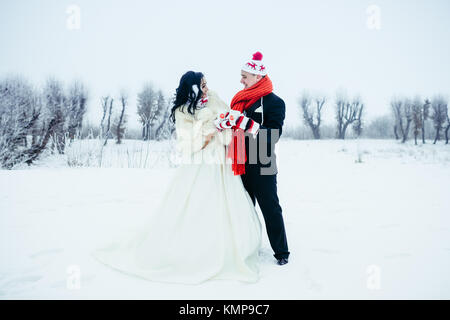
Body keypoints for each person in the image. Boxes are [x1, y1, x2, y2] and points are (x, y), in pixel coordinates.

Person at [91, 71, 262, 284]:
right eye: (202, 85)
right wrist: (213, 128)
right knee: (198, 203)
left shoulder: (215, 98)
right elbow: (189, 142)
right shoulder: (182, 111)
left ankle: (232, 247)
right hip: (200, 163)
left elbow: (229, 122)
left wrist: (229, 124)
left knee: (227, 204)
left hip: (222, 161)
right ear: (192, 89)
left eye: (207, 84)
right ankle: (196, 251)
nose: (207, 88)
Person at [215, 52, 290, 265]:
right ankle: (246, 247)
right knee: (243, 208)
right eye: (241, 76)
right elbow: (233, 127)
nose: (241, 80)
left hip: (263, 162)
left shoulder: (275, 102)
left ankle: (281, 252)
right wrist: (223, 124)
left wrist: (247, 124)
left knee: (270, 208)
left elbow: (273, 135)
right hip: (239, 162)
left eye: (244, 76)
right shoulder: (239, 100)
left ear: (257, 77)